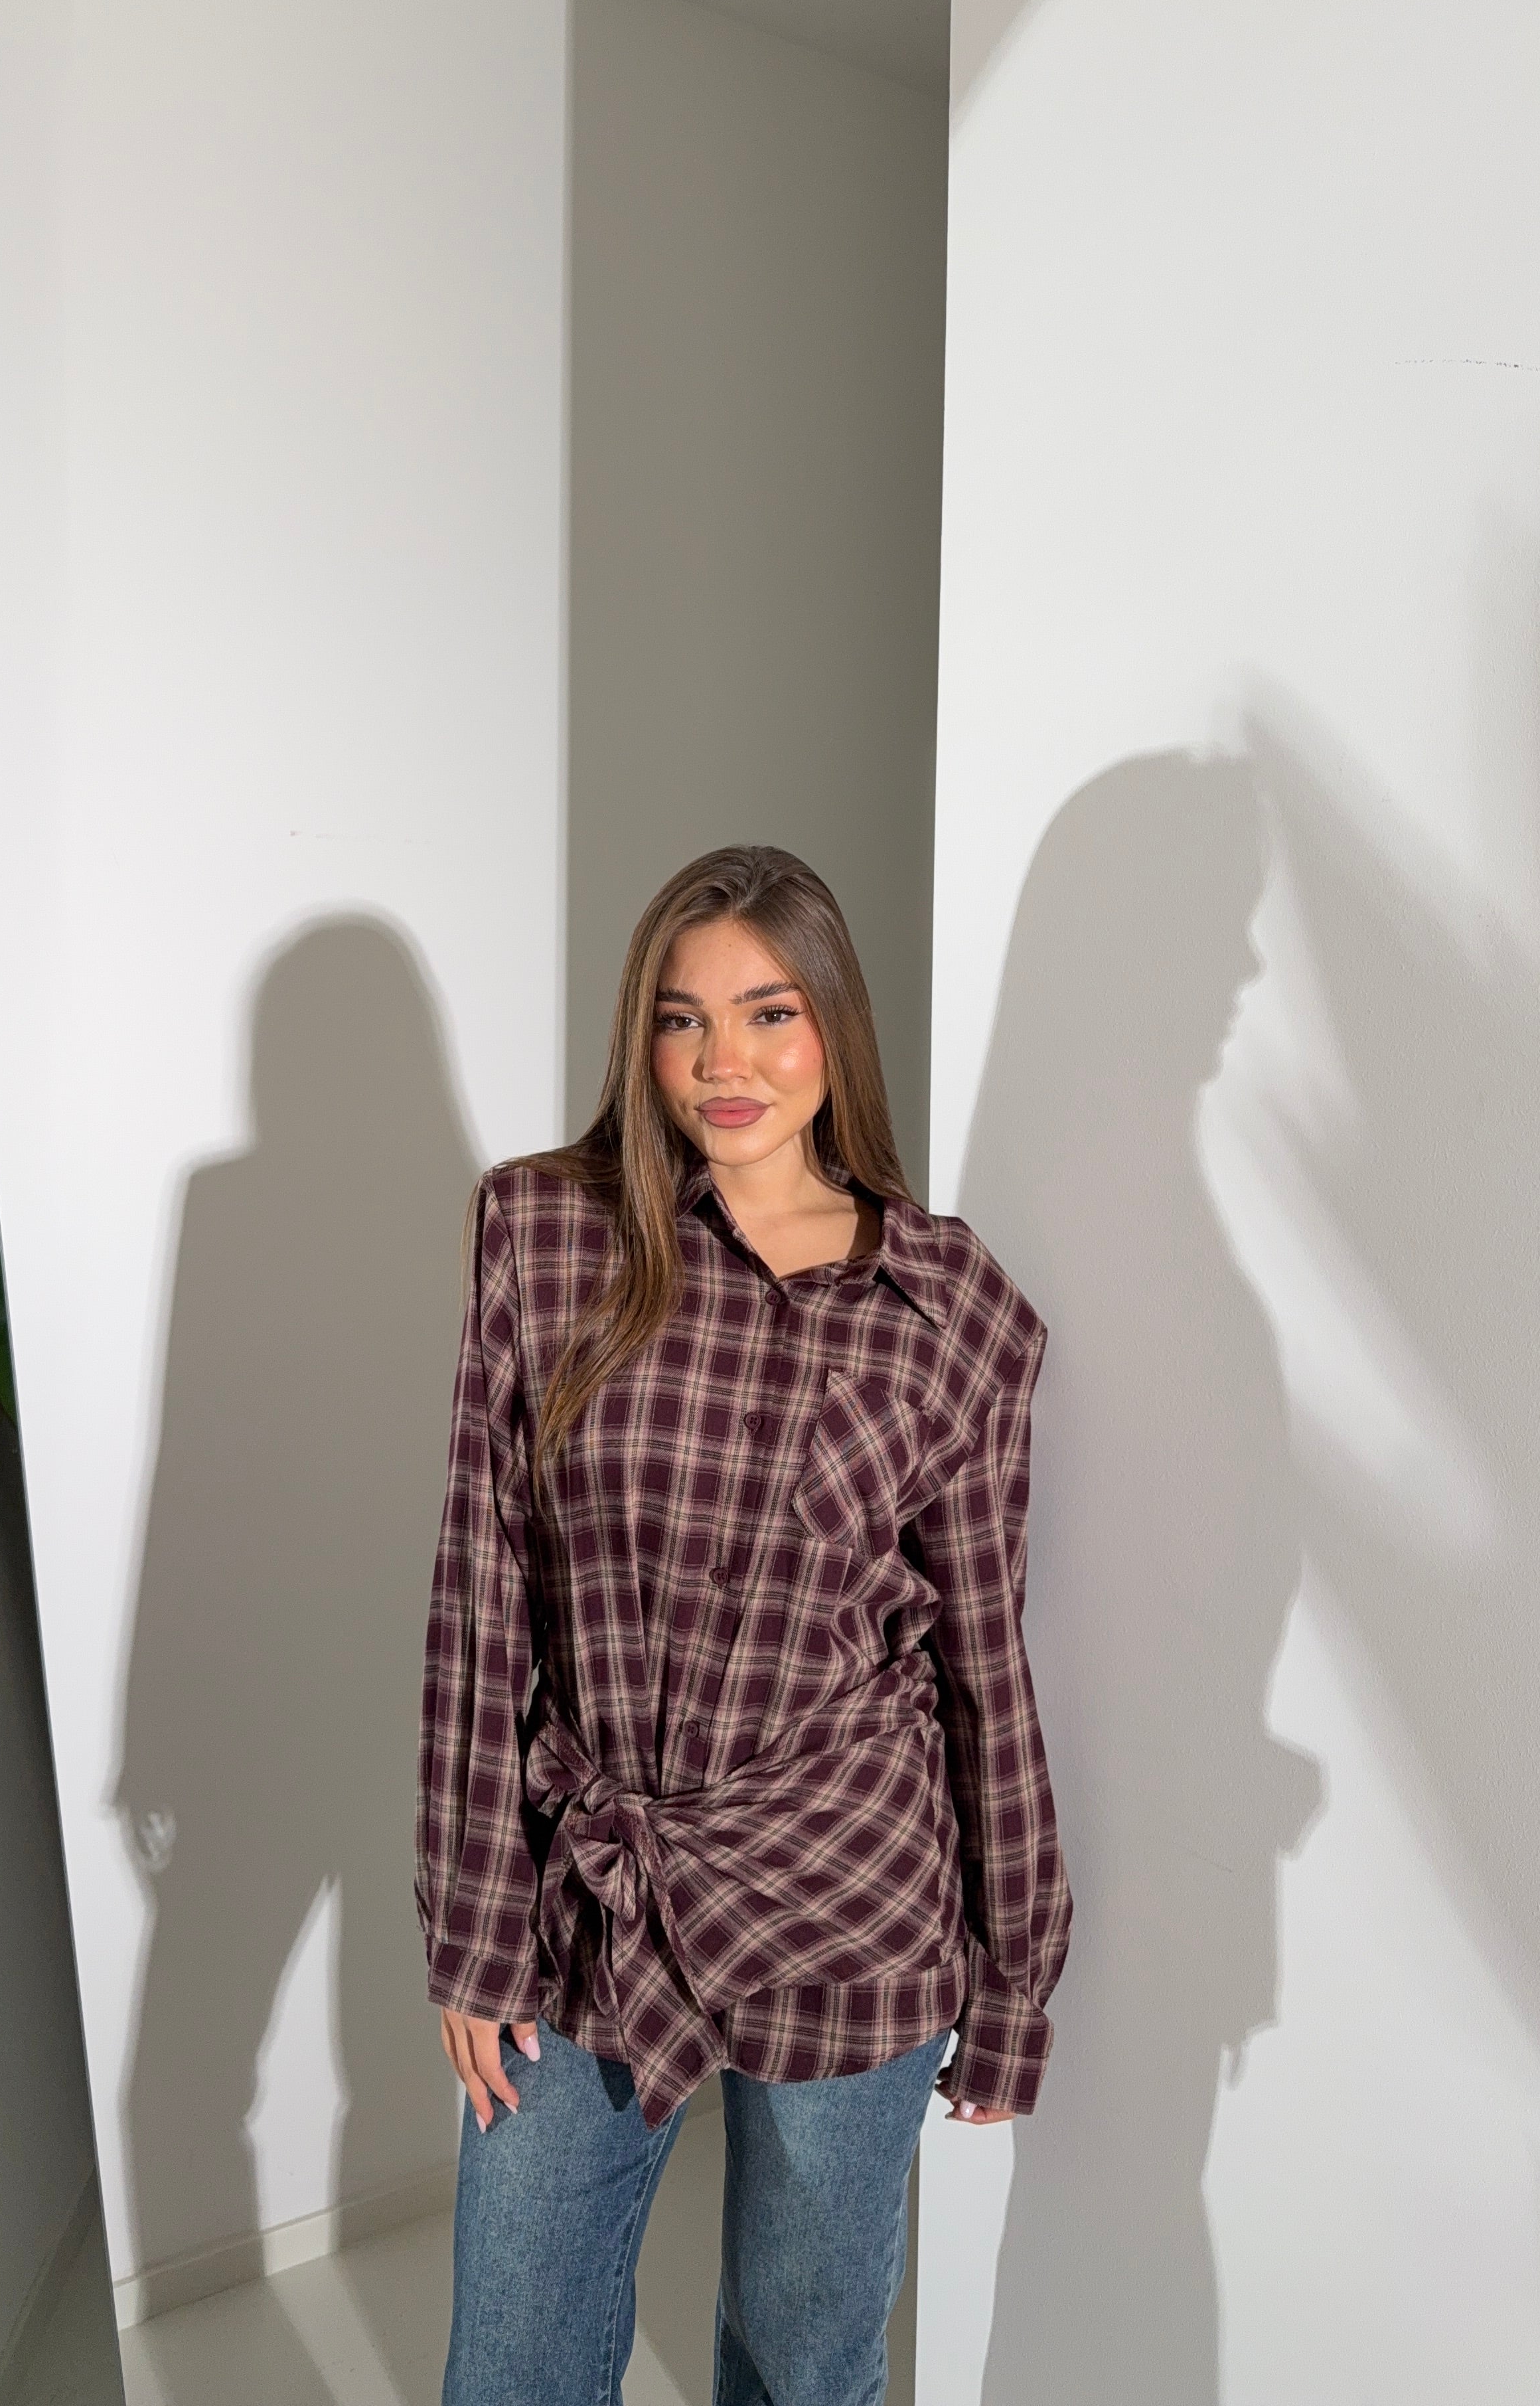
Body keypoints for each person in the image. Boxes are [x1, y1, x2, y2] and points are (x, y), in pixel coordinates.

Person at [418, 844, 1071, 2406]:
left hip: (849, 1897)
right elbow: (479, 1596)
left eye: (770, 1014)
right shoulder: (544, 1236)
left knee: (801, 2367)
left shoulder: (951, 1308)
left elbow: (983, 1666)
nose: (726, 1062)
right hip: (595, 1888)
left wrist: (1014, 1981)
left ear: (834, 1024)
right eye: (682, 1019)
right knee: (511, 2365)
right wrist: (473, 1925)